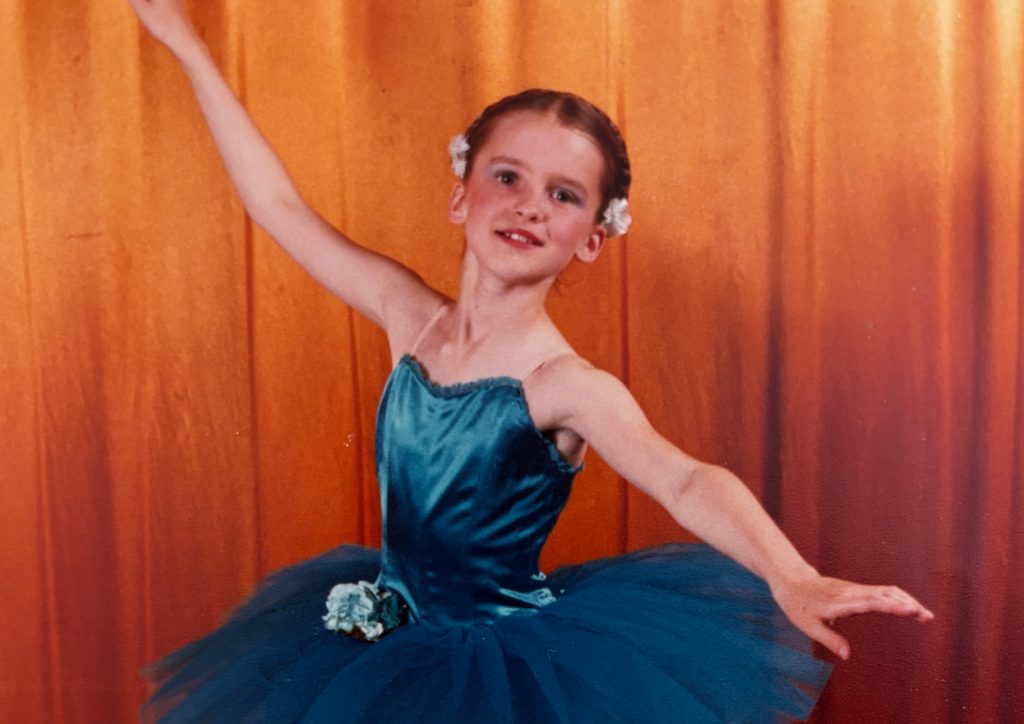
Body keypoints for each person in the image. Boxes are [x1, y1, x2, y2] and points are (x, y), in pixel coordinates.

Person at [128, 1, 934, 721]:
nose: (527, 205)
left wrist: (790, 574)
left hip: (504, 674)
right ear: (460, 194)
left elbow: (685, 478)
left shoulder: (566, 387)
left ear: (590, 238)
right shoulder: (407, 315)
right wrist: (185, 42)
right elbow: (276, 207)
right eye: (507, 176)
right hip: (388, 644)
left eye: (563, 194)